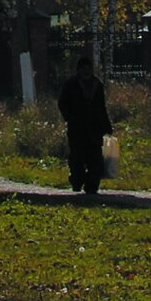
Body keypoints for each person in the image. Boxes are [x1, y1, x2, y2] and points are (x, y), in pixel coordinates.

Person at [57, 54, 112, 196]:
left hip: (95, 128)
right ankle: (76, 181)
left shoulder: (97, 85)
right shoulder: (71, 85)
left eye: (88, 68)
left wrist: (107, 125)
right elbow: (62, 103)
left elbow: (102, 107)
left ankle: (92, 187)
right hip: (77, 128)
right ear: (79, 70)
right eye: (83, 68)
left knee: (96, 160)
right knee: (77, 159)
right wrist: (70, 117)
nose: (86, 71)